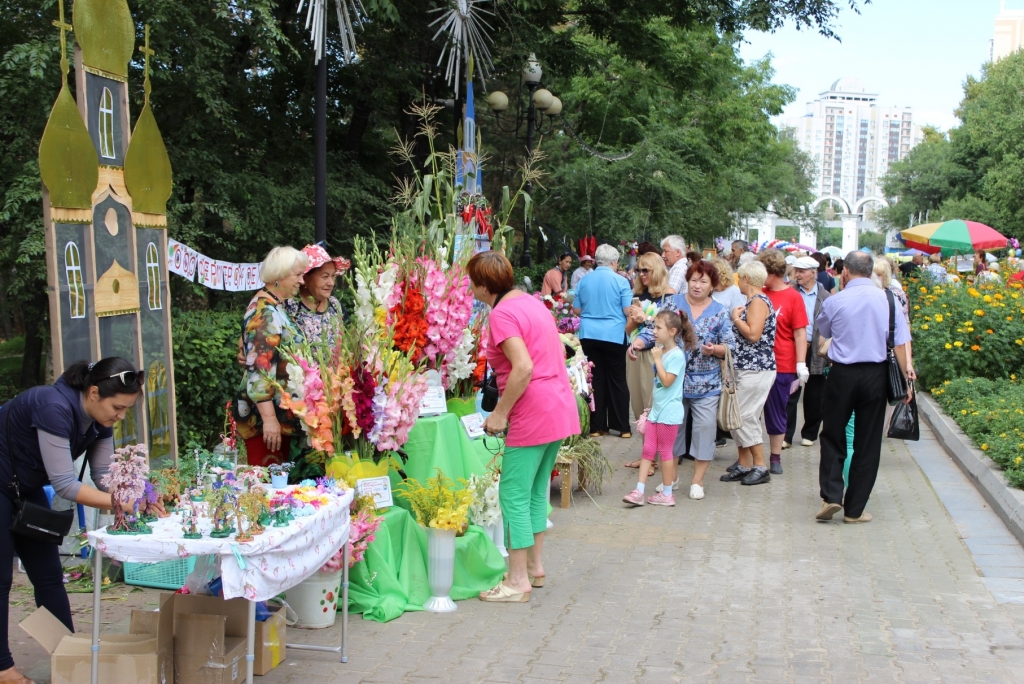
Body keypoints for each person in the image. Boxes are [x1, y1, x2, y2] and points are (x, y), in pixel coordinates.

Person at [1, 358, 156, 684]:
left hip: (21, 487)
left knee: (49, 576)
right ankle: (3, 669)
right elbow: (65, 485)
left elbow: (102, 476)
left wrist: (140, 495)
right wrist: (123, 503)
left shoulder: (100, 420)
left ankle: (69, 658)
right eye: (117, 407)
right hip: (4, 484)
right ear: (94, 392)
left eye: (126, 409)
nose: (120, 416)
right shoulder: (53, 407)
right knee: (1, 581)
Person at [468, 251, 580, 602]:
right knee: (533, 492)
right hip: (558, 405)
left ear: (484, 286)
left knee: (513, 493)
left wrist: (499, 413)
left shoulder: (501, 314)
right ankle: (534, 567)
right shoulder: (532, 303)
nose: (470, 287)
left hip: (533, 410)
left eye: (472, 281)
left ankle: (517, 581)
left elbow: (523, 367)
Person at [815, 251, 913, 524]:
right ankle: (854, 509)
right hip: (876, 375)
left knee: (833, 434)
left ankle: (832, 494)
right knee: (868, 442)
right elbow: (900, 345)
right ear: (871, 271)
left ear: (845, 271)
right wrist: (906, 382)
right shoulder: (889, 300)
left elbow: (825, 331)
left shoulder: (835, 301)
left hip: (842, 374)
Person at [640, 260, 735, 500]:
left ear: (712, 285)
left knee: (704, 430)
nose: (697, 285)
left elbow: (730, 346)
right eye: (693, 280)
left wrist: (715, 350)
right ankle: (670, 478)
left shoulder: (720, 311)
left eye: (703, 281)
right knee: (671, 431)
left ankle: (697, 481)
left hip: (706, 383)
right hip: (671, 382)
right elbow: (654, 329)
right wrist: (638, 343)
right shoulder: (673, 303)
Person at [234, 246, 308, 466]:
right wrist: (269, 420)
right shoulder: (264, 312)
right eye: (297, 275)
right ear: (279, 275)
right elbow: (259, 369)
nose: (302, 281)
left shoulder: (276, 306)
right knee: (267, 481)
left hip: (280, 415)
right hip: (264, 420)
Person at [622, 311, 696, 507]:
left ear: (672, 331)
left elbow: (667, 381)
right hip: (656, 410)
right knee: (647, 449)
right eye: (654, 326)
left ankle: (667, 493)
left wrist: (656, 359)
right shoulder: (661, 351)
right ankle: (639, 491)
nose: (654, 331)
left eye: (658, 327)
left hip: (669, 413)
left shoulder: (677, 355)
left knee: (665, 452)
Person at [720, 261, 776, 486]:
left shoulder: (758, 301)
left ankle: (760, 466)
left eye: (739, 278)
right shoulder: (751, 301)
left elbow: (753, 334)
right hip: (745, 367)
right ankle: (744, 463)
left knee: (744, 416)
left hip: (757, 368)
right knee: (737, 414)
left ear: (746, 279)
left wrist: (735, 319)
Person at [623, 253, 676, 472]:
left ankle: (655, 458)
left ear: (657, 270)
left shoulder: (669, 296)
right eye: (638, 270)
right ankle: (647, 454)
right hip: (634, 353)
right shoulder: (638, 295)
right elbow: (628, 330)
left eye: (646, 270)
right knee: (638, 405)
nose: (642, 274)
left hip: (656, 354)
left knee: (653, 405)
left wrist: (645, 318)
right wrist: (634, 320)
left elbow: (669, 329)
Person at [757, 249, 808, 473]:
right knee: (751, 411)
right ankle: (750, 458)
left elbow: (800, 333)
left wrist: (800, 363)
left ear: (771, 272)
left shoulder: (793, 296)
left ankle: (775, 457)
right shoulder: (760, 293)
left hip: (783, 362)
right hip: (757, 361)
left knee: (777, 410)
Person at [574, 244, 633, 438]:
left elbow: (576, 310)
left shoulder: (584, 280)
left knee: (596, 379)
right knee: (618, 379)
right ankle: (622, 427)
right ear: (614, 262)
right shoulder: (621, 281)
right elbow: (627, 310)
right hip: (614, 334)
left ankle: (596, 426)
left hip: (589, 334)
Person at [784, 256, 830, 448]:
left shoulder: (825, 296)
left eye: (802, 271)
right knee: (790, 392)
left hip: (816, 349)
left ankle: (810, 433)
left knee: (815, 394)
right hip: (793, 347)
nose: (797, 275)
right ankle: (786, 436)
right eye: (796, 271)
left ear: (813, 273)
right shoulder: (790, 291)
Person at [284, 244, 349, 349]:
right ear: (306, 278)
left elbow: (351, 337)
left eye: (333, 276)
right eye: (325, 276)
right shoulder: (291, 307)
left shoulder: (335, 305)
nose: (331, 283)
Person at [873, 258, 916, 383]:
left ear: (885, 276)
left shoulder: (896, 294)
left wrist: (908, 362)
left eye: (879, 275)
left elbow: (904, 330)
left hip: (889, 355)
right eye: (873, 275)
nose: (875, 278)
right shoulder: (864, 294)